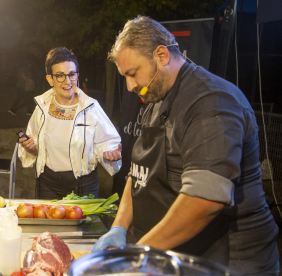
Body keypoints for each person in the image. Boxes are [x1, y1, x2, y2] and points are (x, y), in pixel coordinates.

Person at [92, 16, 279, 275]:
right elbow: (137, 175)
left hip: (228, 260)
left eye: (132, 73)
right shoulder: (155, 102)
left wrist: (138, 255)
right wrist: (119, 228)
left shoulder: (211, 101)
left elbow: (204, 201)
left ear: (161, 55)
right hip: (177, 254)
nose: (131, 85)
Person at [18, 47, 122, 199]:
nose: (67, 81)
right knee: (48, 223)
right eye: (60, 76)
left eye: (71, 74)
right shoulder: (42, 107)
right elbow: (34, 148)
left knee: (83, 224)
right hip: (48, 184)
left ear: (77, 75)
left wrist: (109, 153)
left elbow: (108, 142)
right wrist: (31, 148)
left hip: (83, 185)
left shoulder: (90, 107)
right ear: (50, 79)